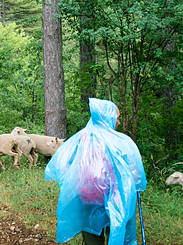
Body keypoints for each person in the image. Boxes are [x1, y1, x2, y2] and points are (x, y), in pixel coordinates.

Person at [45, 98, 147, 245]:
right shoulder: (122, 141)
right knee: (118, 234)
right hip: (116, 200)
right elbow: (136, 174)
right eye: (116, 118)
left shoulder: (81, 138)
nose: (118, 122)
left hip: (87, 199)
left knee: (92, 236)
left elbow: (62, 164)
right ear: (107, 117)